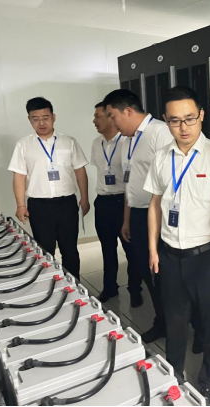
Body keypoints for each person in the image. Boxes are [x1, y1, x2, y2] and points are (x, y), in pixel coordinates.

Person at [145, 86, 210, 406]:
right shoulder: (161, 157)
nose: (183, 127)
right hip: (170, 254)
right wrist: (153, 249)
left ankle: (209, 384)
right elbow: (155, 205)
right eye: (174, 121)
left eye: (189, 118)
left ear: (201, 115)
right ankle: (173, 377)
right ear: (165, 121)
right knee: (174, 322)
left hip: (207, 255)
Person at [102, 89, 173, 343]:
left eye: (113, 116)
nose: (112, 123)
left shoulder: (160, 133)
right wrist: (127, 218)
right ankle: (162, 321)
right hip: (138, 215)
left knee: (169, 275)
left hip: (161, 215)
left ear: (128, 111)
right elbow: (129, 183)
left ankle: (192, 326)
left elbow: (173, 179)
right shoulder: (127, 141)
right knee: (147, 271)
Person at [9, 97, 90, 279]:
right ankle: (50, 286)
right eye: (35, 119)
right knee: (45, 251)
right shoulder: (23, 145)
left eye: (45, 118)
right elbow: (19, 176)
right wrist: (21, 205)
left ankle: (74, 284)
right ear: (29, 120)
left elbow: (80, 171)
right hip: (39, 206)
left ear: (53, 117)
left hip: (67, 204)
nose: (41, 123)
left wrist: (84, 198)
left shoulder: (69, 142)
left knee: (70, 249)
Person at [90, 102, 136, 304]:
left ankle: (135, 289)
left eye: (98, 116)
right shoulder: (96, 143)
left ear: (110, 118)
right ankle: (110, 287)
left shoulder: (126, 143)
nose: (94, 121)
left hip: (122, 202)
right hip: (102, 202)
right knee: (107, 249)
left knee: (130, 250)